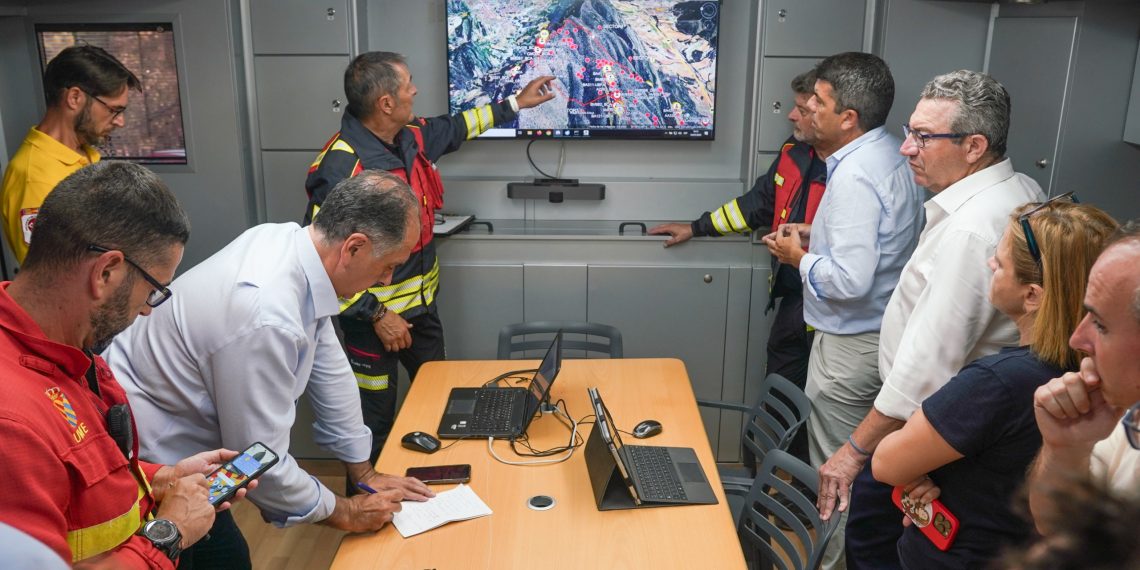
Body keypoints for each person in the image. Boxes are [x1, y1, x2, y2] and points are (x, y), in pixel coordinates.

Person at [106, 170, 435, 569]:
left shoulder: (290, 243)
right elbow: (258, 457)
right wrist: (344, 511)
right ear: (354, 247)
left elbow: (329, 369)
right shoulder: (266, 312)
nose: (386, 280)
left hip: (187, 449)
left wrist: (364, 471)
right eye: (389, 266)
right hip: (148, 453)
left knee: (228, 558)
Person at [824, 70, 1046, 570]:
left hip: (935, 432)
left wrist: (855, 452)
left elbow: (926, 369)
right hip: (949, 429)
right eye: (909, 130)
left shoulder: (973, 229)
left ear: (974, 145)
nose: (906, 148)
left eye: (923, 136)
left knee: (874, 544)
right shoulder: (1016, 186)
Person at [304, 51, 556, 463]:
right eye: (408, 85)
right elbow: (321, 262)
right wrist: (376, 315)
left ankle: (437, 493)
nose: (415, 91)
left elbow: (457, 127)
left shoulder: (411, 136)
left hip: (421, 312)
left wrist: (517, 103)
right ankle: (370, 509)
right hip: (373, 323)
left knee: (441, 404)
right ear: (386, 102)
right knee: (374, 425)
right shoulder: (342, 167)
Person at [0, 161, 249, 568]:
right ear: (107, 272)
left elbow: (84, 481)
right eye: (153, 291)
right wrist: (169, 534)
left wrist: (160, 478)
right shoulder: (12, 427)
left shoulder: (64, 348)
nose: (148, 311)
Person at [872, 201, 1118, 569]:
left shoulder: (999, 382)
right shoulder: (1096, 376)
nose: (990, 265)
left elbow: (886, 463)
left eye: (1000, 263)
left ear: (1032, 295)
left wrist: (919, 475)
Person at [763, 52, 924, 569]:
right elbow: (883, 241)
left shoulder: (853, 177)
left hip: (850, 345)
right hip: (879, 334)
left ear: (848, 117)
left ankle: (830, 563)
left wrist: (798, 257)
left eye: (818, 101)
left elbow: (851, 281)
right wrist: (820, 234)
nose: (805, 108)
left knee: (835, 474)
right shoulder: (885, 156)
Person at [648, 69, 826, 462]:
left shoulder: (851, 171)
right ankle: (781, 482)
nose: (792, 117)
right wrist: (696, 227)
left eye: (801, 109)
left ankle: (809, 500)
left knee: (823, 413)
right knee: (783, 397)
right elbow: (758, 204)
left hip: (832, 312)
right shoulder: (793, 154)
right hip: (792, 301)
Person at [1026, 220, 1140, 532]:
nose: (1077, 338)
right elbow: (1055, 527)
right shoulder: (1128, 415)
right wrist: (1065, 449)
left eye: (1101, 325)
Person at [1, 45, 140, 263]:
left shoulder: (83, 156)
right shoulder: (34, 178)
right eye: (114, 110)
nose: (120, 122)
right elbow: (48, 277)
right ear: (75, 98)